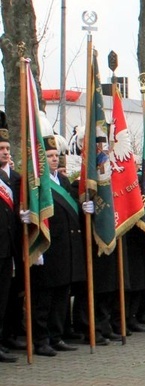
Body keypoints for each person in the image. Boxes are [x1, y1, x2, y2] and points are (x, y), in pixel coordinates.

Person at [22, 132, 87, 356]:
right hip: (48, 248)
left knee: (61, 296)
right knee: (44, 299)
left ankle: (56, 336)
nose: (53, 159)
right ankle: (40, 340)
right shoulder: (38, 184)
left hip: (67, 249)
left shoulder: (64, 181)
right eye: (49, 155)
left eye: (55, 155)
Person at [0, 112, 20, 362]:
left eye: (7, 148)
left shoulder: (11, 179)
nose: (6, 152)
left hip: (8, 249)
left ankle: (4, 338)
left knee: (5, 298)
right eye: (2, 148)